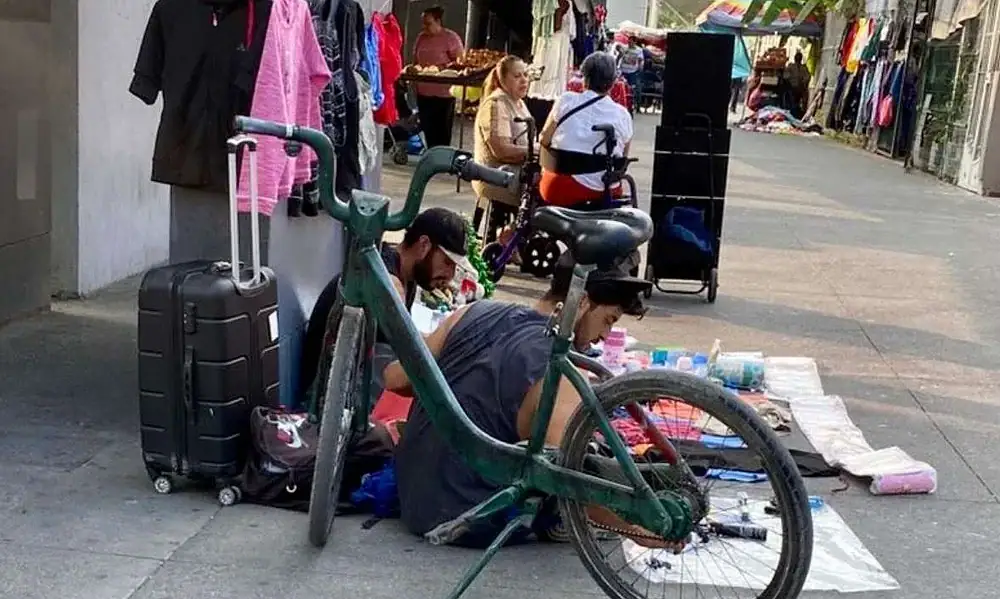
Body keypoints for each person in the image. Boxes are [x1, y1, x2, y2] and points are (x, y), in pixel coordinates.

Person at [389, 253, 682, 550]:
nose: (604, 336)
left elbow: (396, 378)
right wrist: (636, 531)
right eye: (608, 320)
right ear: (580, 304)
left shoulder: (474, 311)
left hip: (411, 497)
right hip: (468, 520)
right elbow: (569, 484)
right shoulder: (559, 377)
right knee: (579, 461)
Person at [299, 207, 474, 399]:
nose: (449, 277)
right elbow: (393, 373)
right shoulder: (386, 281)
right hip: (322, 397)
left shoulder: (407, 278)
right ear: (424, 245)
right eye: (447, 262)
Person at [538, 51, 633, 209]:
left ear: (584, 78)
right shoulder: (622, 115)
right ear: (613, 82)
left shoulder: (565, 101)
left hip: (559, 188)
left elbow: (544, 140)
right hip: (604, 193)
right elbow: (622, 158)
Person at [471, 55, 534, 245]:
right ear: (502, 79)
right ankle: (510, 236)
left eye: (525, 75)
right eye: (517, 76)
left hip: (514, 167)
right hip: (495, 173)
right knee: (541, 187)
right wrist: (535, 152)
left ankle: (515, 236)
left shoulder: (518, 102)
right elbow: (501, 151)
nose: (524, 80)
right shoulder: (496, 104)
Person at [413, 6, 464, 148]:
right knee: (428, 129)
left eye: (428, 23)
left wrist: (442, 68)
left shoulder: (451, 38)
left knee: (442, 131)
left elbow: (460, 63)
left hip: (444, 94)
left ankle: (443, 159)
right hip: (423, 92)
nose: (424, 27)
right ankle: (431, 156)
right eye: (423, 23)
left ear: (438, 21)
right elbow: (415, 61)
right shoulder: (421, 38)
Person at [783, 51, 811, 118]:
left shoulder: (804, 68)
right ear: (795, 58)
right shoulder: (791, 66)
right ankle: (793, 113)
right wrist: (790, 82)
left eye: (799, 58)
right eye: (797, 57)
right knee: (792, 101)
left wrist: (803, 82)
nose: (798, 59)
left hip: (801, 88)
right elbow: (786, 76)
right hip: (792, 88)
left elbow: (807, 77)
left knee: (804, 98)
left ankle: (801, 113)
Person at [617, 38, 644, 108]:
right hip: (623, 71)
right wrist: (620, 54)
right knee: (622, 87)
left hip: (633, 72)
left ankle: (634, 104)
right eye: (628, 42)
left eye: (631, 42)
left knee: (632, 89)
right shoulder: (625, 48)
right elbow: (619, 52)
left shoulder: (639, 50)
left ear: (635, 42)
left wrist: (640, 67)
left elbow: (640, 60)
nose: (629, 44)